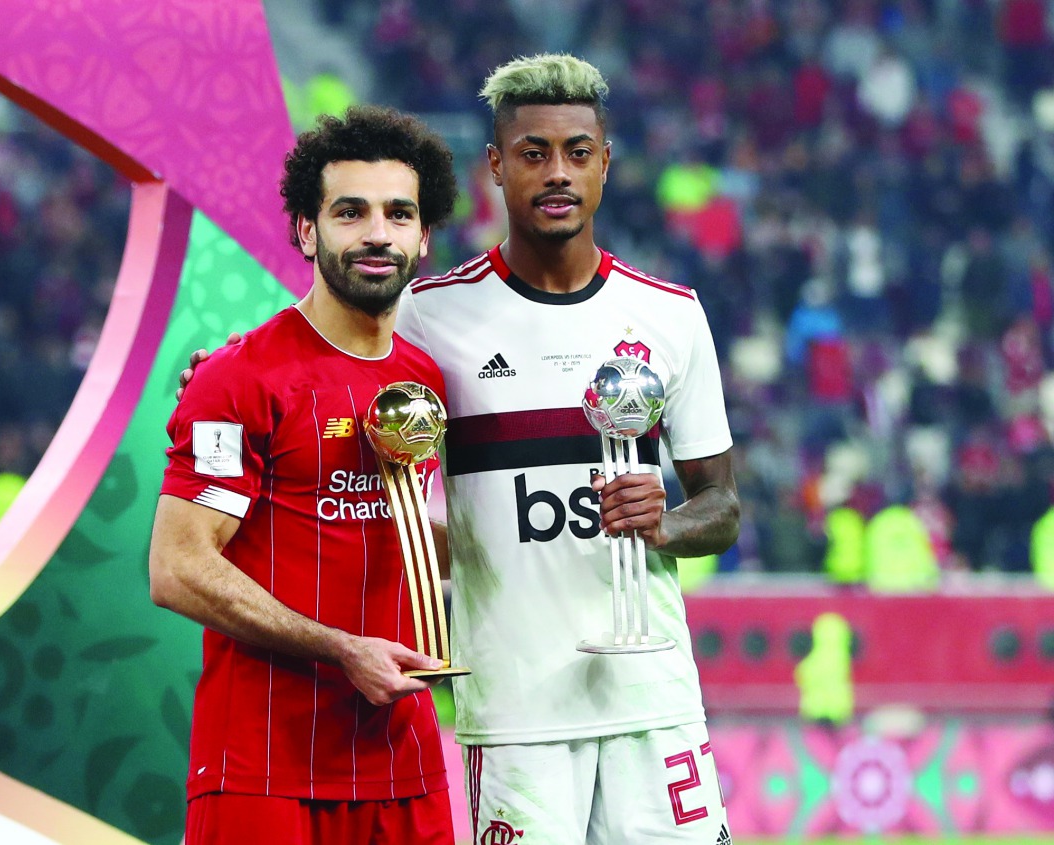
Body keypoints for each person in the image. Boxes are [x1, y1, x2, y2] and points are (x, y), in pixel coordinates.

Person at [182, 55, 740, 845]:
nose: (557, 172)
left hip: (656, 698)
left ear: (606, 164)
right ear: (496, 166)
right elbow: (331, 350)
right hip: (514, 711)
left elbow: (723, 506)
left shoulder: (671, 315)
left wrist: (667, 524)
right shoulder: (430, 317)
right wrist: (224, 373)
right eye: (533, 153)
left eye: (578, 152)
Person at [149, 105, 459, 845]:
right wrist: (342, 647)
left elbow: (412, 543)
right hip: (264, 770)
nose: (377, 233)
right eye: (350, 212)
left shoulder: (426, 380)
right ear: (306, 230)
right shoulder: (238, 378)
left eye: (398, 214)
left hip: (403, 764)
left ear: (424, 236)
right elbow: (177, 568)